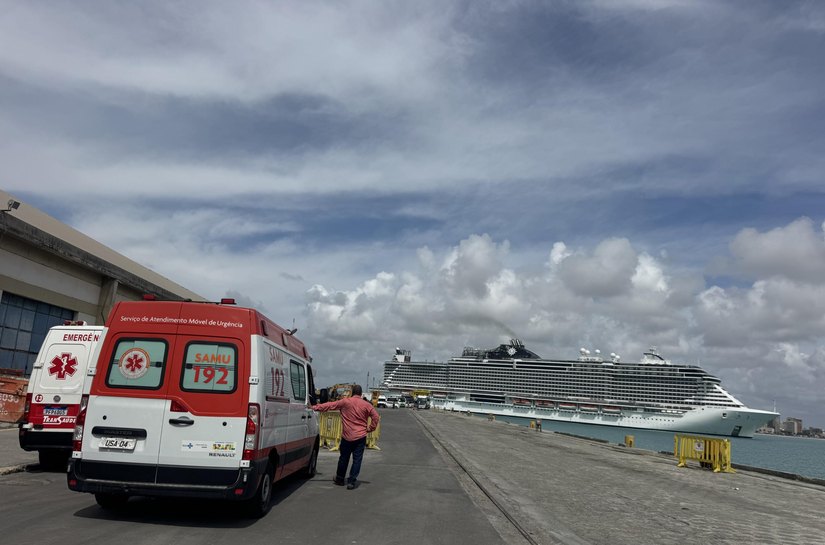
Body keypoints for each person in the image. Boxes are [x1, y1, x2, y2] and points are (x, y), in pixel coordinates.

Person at [312, 384, 380, 490]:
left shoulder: (345, 402)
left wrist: (314, 407)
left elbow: (329, 405)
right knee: (357, 460)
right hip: (360, 436)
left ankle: (340, 478)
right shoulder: (366, 404)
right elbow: (375, 416)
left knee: (343, 458)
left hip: (347, 436)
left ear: (352, 392)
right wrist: (371, 428)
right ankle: (351, 481)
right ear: (361, 394)